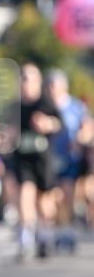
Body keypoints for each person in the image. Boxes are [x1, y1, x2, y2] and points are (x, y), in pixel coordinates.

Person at [11, 64, 63, 259]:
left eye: (29, 79)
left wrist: (48, 123)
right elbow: (5, 131)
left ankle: (44, 235)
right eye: (23, 78)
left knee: (44, 202)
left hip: (43, 159)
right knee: (25, 192)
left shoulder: (45, 103)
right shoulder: (15, 106)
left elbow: (59, 124)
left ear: (38, 82)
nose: (25, 83)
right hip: (22, 159)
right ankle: (25, 239)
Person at [46, 69, 92, 252]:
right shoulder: (45, 106)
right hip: (48, 158)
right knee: (53, 197)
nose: (52, 89)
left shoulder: (76, 107)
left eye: (54, 85)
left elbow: (87, 128)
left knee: (67, 194)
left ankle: (67, 231)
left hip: (70, 158)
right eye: (49, 85)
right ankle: (59, 229)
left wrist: (80, 139)